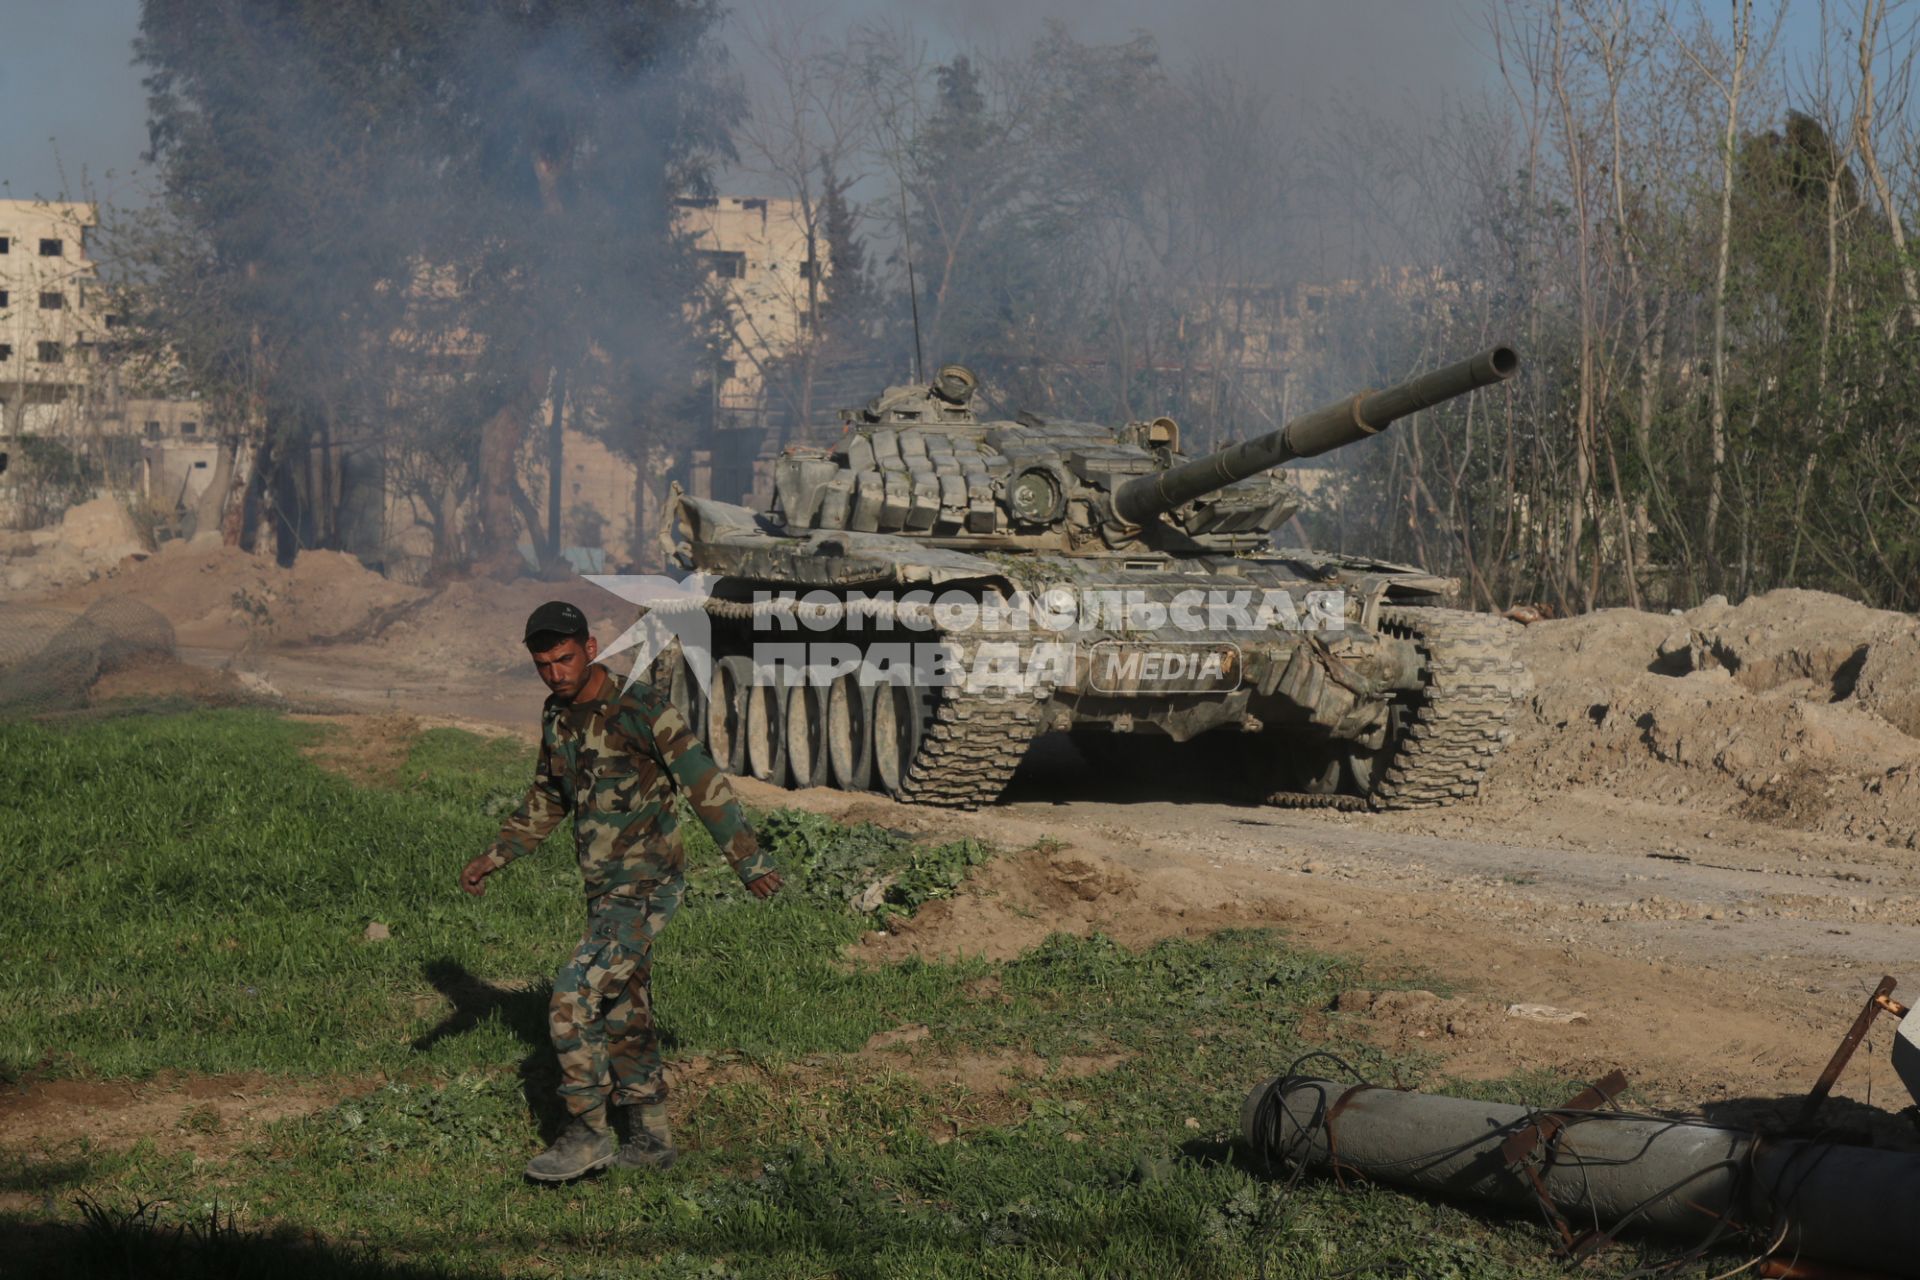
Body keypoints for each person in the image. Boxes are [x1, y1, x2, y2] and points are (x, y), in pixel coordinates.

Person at [460, 600, 781, 1182]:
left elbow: (702, 780)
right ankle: (651, 1137)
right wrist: (497, 854)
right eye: (543, 664)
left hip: (647, 886)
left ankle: (587, 1132)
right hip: (603, 890)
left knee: (569, 999)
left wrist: (748, 859)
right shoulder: (557, 716)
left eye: (564, 659)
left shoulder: (641, 706)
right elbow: (549, 795)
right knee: (624, 1006)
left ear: (590, 646)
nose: (556, 673)